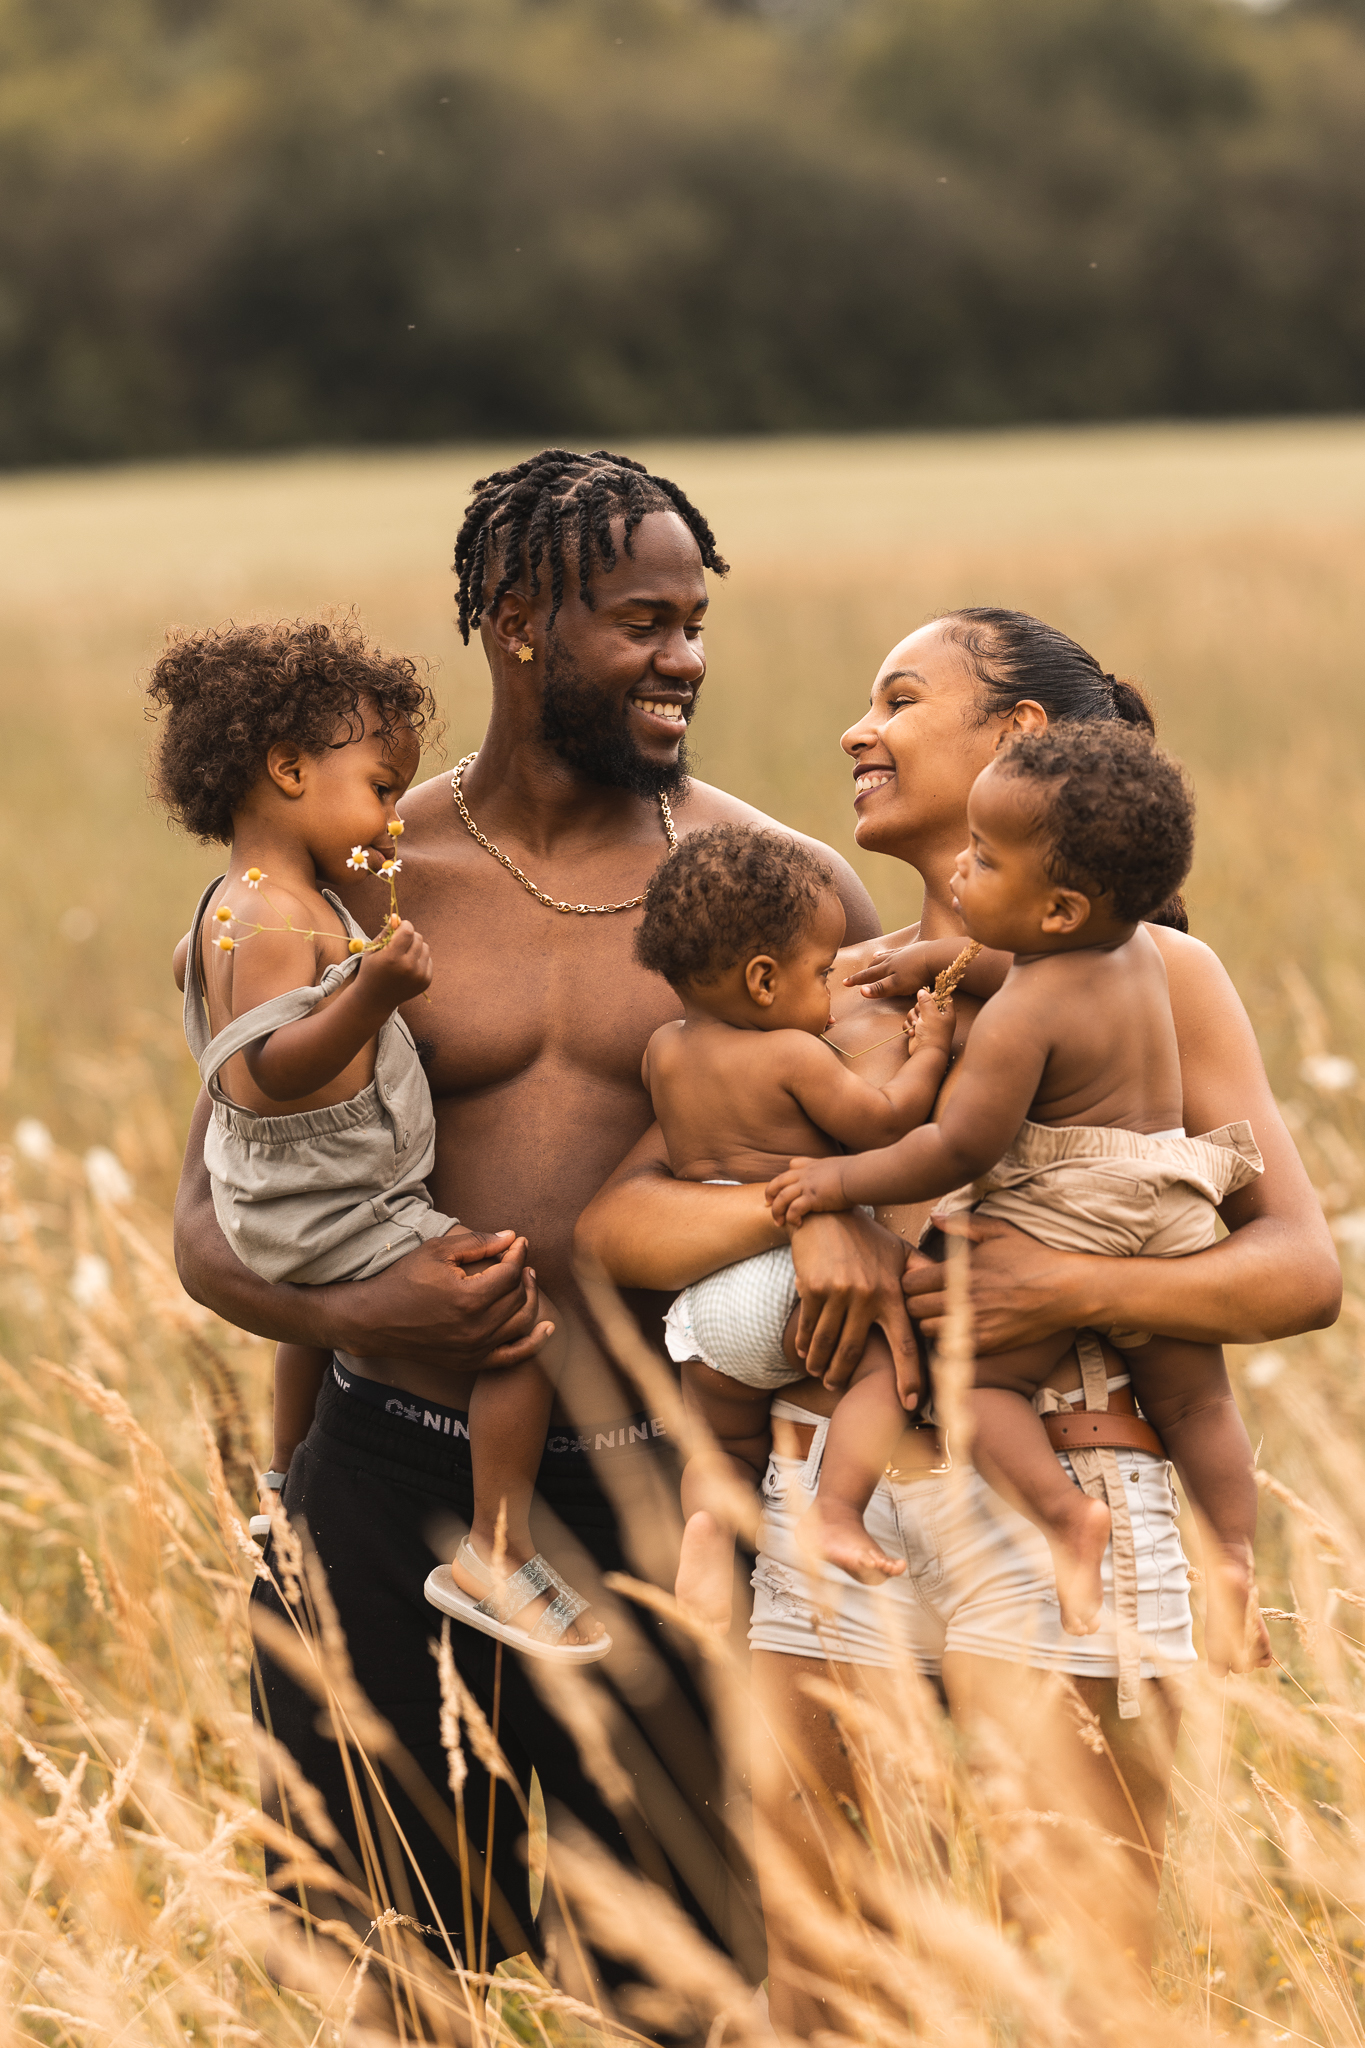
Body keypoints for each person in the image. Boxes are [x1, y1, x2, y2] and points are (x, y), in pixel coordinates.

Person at [170, 449, 881, 1993]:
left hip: (672, 1507)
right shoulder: (350, 885)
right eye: (640, 621)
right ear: (516, 621)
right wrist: (368, 1315)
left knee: (702, 1991)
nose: (681, 657)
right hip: (388, 1488)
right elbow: (214, 1231)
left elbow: (902, 1172)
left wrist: (838, 1218)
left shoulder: (779, 892)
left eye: (694, 622)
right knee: (393, 1983)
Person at [576, 606, 1340, 2029]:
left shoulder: (1158, 980)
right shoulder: (821, 980)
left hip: (1060, 1479)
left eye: (900, 699)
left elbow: (1298, 1271)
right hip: (829, 1493)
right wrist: (821, 1223)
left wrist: (1075, 1288)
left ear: (1021, 741)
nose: (858, 731)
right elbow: (620, 1226)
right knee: (820, 1971)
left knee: (1087, 1960)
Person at [148, 614, 604, 1658]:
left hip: (283, 1203)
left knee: (312, 1328)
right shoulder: (281, 918)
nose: (398, 817)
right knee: (521, 1322)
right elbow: (272, 1070)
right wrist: (371, 991)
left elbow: (192, 965)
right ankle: (498, 1549)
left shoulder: (238, 903)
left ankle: (281, 1474)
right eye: (383, 788)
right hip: (335, 1198)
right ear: (288, 770)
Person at [767, 722, 1262, 1639]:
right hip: (1169, 1198)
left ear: (1061, 908)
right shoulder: (1137, 955)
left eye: (983, 861)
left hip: (1064, 1210)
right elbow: (1023, 954)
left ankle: (1063, 1517)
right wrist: (928, 960)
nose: (960, 871)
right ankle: (1231, 1556)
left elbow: (956, 1147)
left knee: (974, 1383)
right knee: (1197, 1398)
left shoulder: (1026, 1011)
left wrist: (838, 1187)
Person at [630, 821, 953, 1626]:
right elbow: (884, 1126)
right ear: (765, 981)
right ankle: (838, 1509)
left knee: (721, 1450)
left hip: (706, 1301)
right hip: (793, 1286)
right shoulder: (796, 1056)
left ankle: (705, 1531)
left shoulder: (662, 1054)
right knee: (889, 1369)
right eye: (821, 972)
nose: (830, 991)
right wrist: (929, 1053)